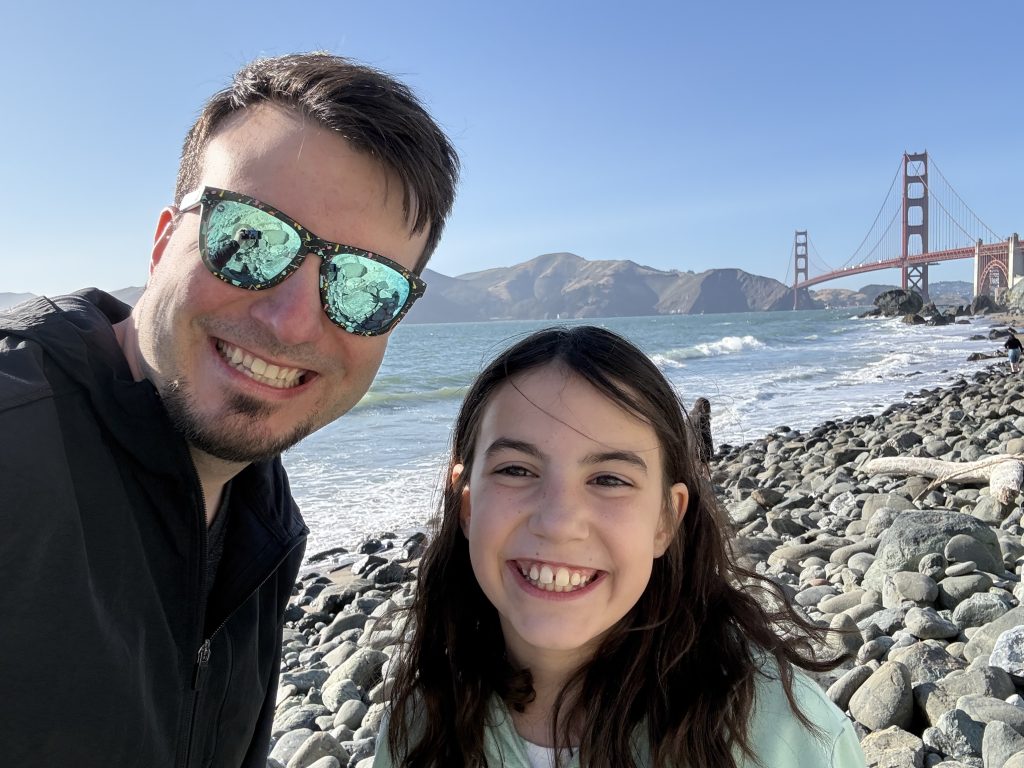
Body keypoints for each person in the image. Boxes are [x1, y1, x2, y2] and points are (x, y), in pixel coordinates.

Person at [0, 53, 458, 767]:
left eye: (364, 285)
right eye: (249, 237)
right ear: (162, 243)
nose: (292, 322)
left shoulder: (261, 506)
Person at [375, 326, 865, 768]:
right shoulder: (419, 726)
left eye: (609, 478)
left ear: (666, 519)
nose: (559, 522)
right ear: (465, 503)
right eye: (516, 470)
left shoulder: (783, 733)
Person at [691, 395, 714, 469]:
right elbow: (707, 438)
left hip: (691, 450)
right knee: (705, 472)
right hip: (702, 452)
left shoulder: (689, 418)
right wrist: (711, 454)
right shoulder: (704, 420)